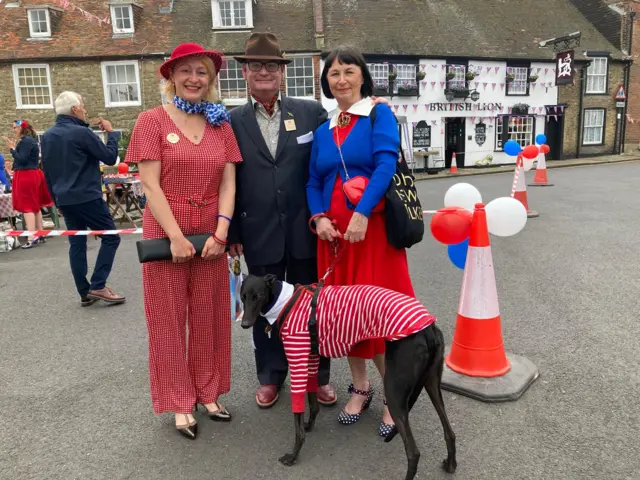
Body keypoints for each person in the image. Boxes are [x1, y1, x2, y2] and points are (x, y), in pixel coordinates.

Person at [125, 43, 242, 440]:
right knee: (168, 321)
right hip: (166, 228)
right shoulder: (151, 121)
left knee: (210, 315)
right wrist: (174, 236)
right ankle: (179, 399)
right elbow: (149, 185)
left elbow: (229, 182)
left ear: (211, 80)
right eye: (187, 71)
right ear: (171, 76)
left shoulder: (220, 123)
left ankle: (208, 391)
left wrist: (222, 232)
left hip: (211, 229)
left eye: (203, 72)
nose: (195, 78)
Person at [306, 46, 416, 437]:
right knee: (346, 317)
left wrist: (363, 213)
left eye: (348, 71)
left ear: (362, 77)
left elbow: (387, 164)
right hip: (333, 237)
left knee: (377, 316)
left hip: (370, 234)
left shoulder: (379, 114)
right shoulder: (325, 128)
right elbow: (315, 179)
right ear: (327, 82)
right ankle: (361, 387)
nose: (341, 79)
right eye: (333, 73)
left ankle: (392, 396)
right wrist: (318, 217)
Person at [227, 32, 338, 409]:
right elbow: (227, 182)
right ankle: (271, 377)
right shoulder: (229, 123)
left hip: (307, 232)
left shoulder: (312, 113)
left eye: (271, 66)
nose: (263, 72)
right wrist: (234, 234)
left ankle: (317, 377)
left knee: (313, 310)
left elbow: (328, 170)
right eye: (255, 65)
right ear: (244, 72)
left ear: (281, 71)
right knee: (264, 311)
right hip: (258, 235)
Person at [40, 92, 125, 306]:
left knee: (76, 243)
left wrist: (55, 200)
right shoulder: (81, 132)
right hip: (87, 195)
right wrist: (111, 133)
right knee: (111, 237)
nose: (85, 109)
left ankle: (84, 292)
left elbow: (47, 172)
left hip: (64, 198)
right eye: (83, 106)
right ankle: (98, 284)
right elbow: (108, 157)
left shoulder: (48, 136)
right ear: (75, 109)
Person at [3, 120, 54, 248]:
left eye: (15, 127)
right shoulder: (30, 140)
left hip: (26, 175)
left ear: (21, 128)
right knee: (34, 205)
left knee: (28, 206)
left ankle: (32, 237)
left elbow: (22, 159)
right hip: (33, 173)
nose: (13, 130)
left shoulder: (25, 141)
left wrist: (12, 150)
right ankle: (39, 232)